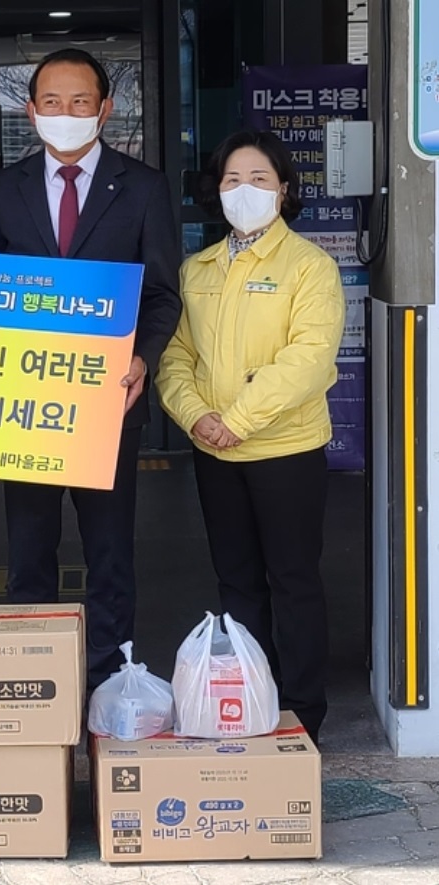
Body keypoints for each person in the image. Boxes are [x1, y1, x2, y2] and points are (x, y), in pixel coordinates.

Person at [0, 49, 181, 691]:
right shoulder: (5, 187)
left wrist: (144, 356)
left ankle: (109, 681)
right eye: (53, 102)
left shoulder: (142, 186)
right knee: (28, 552)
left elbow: (162, 294)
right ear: (31, 111)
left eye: (80, 102)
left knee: (110, 554)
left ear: (105, 109)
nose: (66, 113)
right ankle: (38, 678)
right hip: (26, 406)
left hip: (107, 402)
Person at [156, 130, 344, 746]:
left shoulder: (309, 267)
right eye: (233, 179)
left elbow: (308, 359)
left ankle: (303, 710)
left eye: (260, 179)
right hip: (215, 451)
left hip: (285, 450)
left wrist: (236, 420)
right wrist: (196, 417)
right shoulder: (198, 269)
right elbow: (175, 358)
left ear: (283, 189)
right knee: (236, 582)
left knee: (293, 580)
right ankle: (253, 696)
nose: (245, 190)